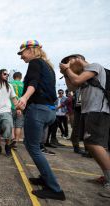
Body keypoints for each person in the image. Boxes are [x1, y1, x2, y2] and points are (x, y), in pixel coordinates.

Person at [16, 40, 65, 200]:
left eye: (22, 52)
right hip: (48, 111)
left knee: (33, 147)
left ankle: (55, 189)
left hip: (38, 109)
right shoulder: (48, 66)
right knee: (33, 146)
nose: (21, 57)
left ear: (31, 50)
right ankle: (44, 178)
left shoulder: (35, 62)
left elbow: (33, 82)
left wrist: (24, 98)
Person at [60, 54, 110, 198]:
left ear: (76, 59)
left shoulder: (94, 66)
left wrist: (68, 70)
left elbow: (76, 79)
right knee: (97, 145)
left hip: (98, 111)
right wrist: (66, 74)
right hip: (91, 111)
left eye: (68, 63)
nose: (68, 67)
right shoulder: (84, 74)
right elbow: (72, 86)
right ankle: (107, 177)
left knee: (93, 144)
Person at [10, 72, 24, 149]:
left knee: (11, 124)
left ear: (14, 77)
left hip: (11, 106)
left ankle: (12, 139)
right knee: (18, 125)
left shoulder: (10, 83)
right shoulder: (23, 84)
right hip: (21, 106)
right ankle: (16, 142)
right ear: (20, 77)